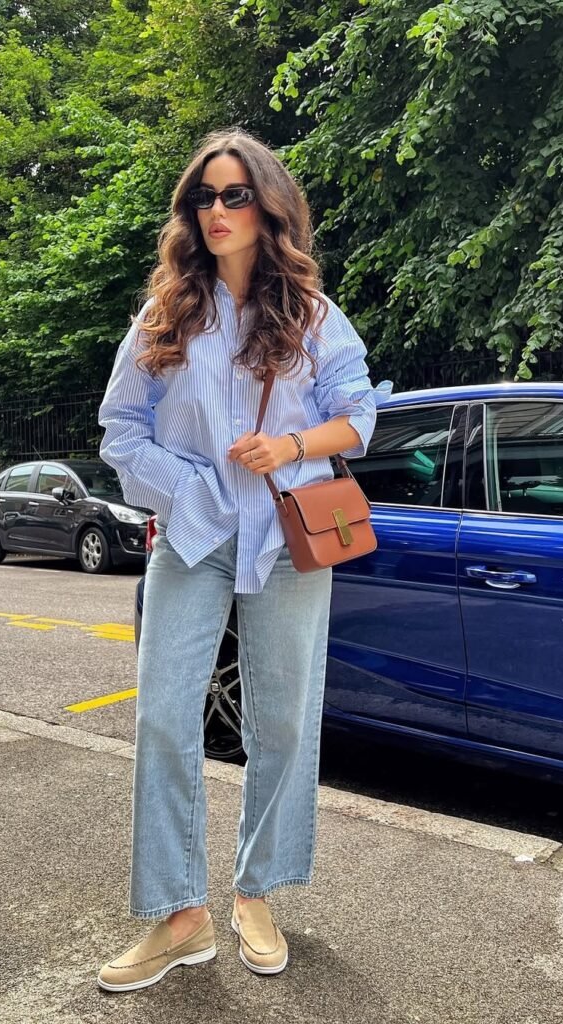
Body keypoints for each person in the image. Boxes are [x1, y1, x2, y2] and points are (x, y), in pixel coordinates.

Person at [96, 127, 390, 992]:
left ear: (267, 206)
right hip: (192, 539)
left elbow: (359, 421)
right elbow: (120, 430)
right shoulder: (164, 315)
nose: (216, 211)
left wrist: (288, 443)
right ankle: (181, 914)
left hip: (288, 538)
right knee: (161, 716)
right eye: (203, 197)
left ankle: (256, 893)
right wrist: (186, 490)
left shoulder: (310, 315)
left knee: (283, 722)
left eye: (233, 195)